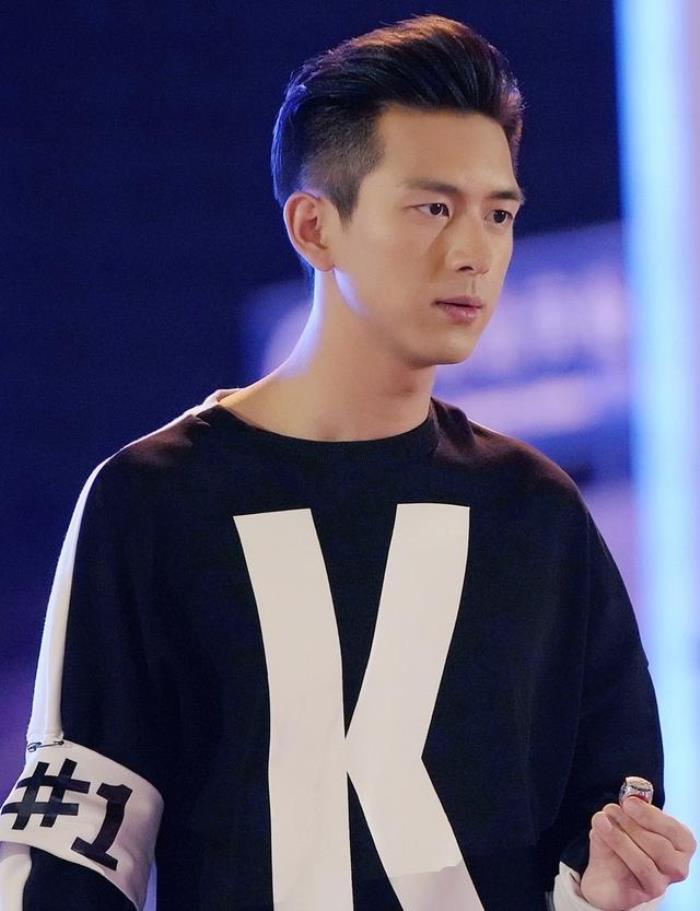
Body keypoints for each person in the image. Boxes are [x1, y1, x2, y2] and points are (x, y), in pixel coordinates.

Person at [0, 13, 695, 911]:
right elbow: (75, 851)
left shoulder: (536, 512)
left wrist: (607, 882)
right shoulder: (154, 499)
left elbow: (602, 830)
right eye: (432, 207)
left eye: (499, 213)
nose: (474, 251)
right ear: (314, 227)